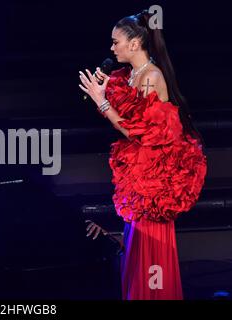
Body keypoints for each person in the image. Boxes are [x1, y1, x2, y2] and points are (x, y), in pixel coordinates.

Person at [78, 10, 207, 300]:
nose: (112, 48)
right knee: (136, 248)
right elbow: (125, 118)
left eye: (116, 42)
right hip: (138, 176)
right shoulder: (132, 75)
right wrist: (104, 90)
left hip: (153, 183)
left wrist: (102, 103)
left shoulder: (151, 76)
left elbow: (138, 132)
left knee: (151, 256)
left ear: (135, 43)